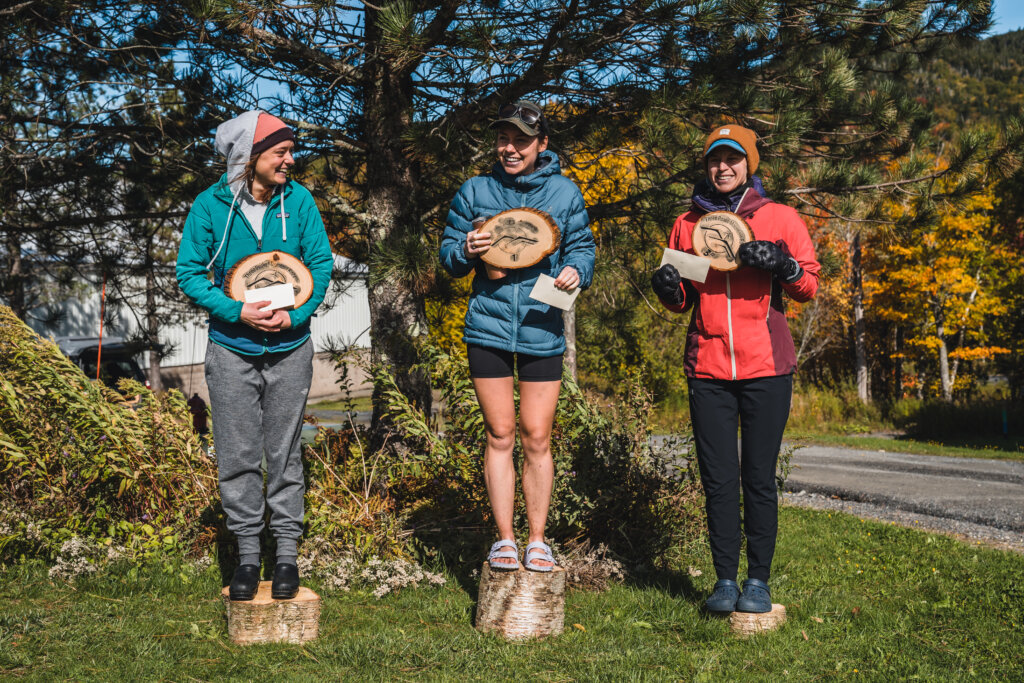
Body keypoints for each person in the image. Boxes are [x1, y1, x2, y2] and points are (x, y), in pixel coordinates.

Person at [651, 124, 820, 613]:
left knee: (758, 478)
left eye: (733, 159)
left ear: (750, 164)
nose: (722, 168)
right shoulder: (688, 225)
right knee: (719, 479)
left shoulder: (780, 217)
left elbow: (808, 286)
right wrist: (669, 289)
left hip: (766, 365)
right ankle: (725, 581)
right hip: (708, 368)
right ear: (706, 166)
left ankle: (758, 582)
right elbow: (683, 299)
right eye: (714, 160)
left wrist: (783, 266)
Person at [177, 110, 333, 600]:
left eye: (289, 150)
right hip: (231, 349)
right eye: (280, 152)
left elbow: (321, 264)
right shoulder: (209, 206)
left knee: (284, 453)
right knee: (238, 454)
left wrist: (299, 314)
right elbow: (189, 274)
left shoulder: (300, 201)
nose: (291, 159)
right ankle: (247, 558)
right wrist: (237, 311)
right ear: (248, 158)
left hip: (291, 348)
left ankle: (286, 557)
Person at [439, 100, 596, 572]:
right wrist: (465, 248)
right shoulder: (475, 190)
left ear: (541, 144)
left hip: (541, 327)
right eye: (504, 138)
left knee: (537, 436)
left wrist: (576, 271)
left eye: (522, 140)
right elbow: (448, 257)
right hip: (486, 329)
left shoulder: (565, 194)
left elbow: (583, 248)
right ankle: (505, 540)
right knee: (500, 433)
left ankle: (537, 539)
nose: (510, 148)